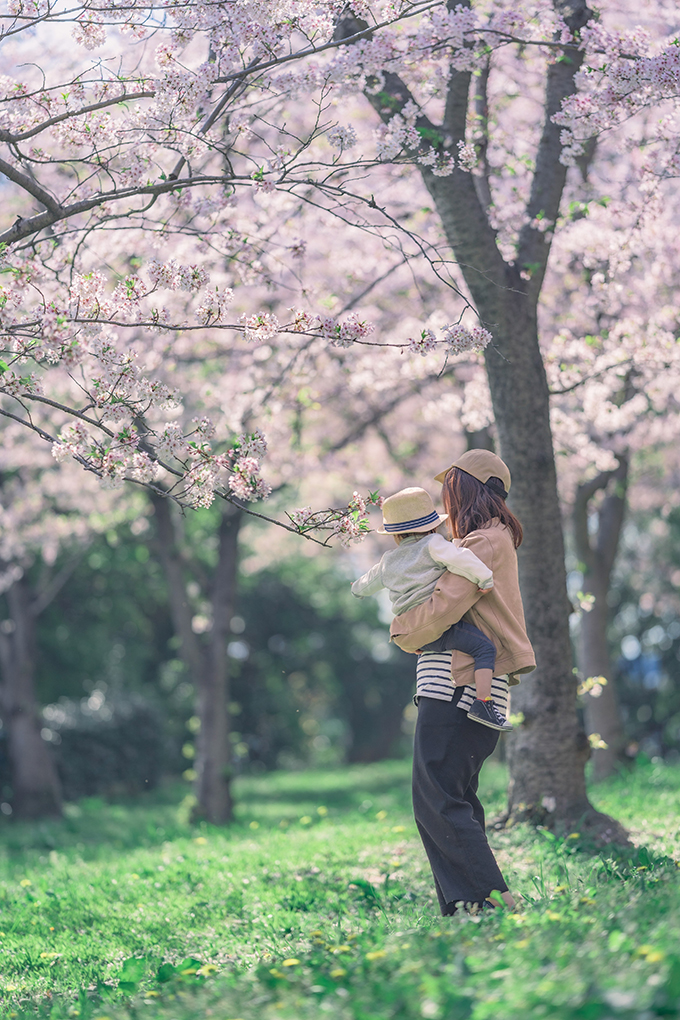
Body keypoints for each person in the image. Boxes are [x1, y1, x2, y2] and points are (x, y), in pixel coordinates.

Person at [390, 450, 536, 915]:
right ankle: (464, 905)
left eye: (450, 484)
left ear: (470, 486)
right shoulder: (485, 541)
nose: (444, 496)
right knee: (454, 797)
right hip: (462, 683)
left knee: (437, 796)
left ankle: (490, 900)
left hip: (459, 686)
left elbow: (438, 611)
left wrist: (399, 630)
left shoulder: (482, 543)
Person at [351, 486, 511, 731]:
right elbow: (462, 559)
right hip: (437, 625)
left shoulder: (388, 561)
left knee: (450, 643)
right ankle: (483, 703)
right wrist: (486, 579)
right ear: (434, 526)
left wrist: (356, 590)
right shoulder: (433, 544)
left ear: (395, 536)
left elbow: (364, 584)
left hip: (414, 635)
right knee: (483, 648)